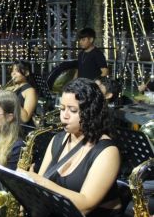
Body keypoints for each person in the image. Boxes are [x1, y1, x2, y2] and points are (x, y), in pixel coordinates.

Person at [18, 78, 121, 217]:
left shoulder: (107, 151)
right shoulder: (57, 139)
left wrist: (38, 180)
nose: (64, 116)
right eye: (62, 108)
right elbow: (41, 190)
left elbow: (85, 205)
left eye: (72, 110)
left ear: (91, 111)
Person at [10, 60, 38, 131]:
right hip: (11, 127)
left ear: (26, 73)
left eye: (17, 71)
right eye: (12, 70)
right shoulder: (12, 88)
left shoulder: (30, 91)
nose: (13, 73)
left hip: (23, 130)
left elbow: (25, 118)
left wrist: (12, 98)